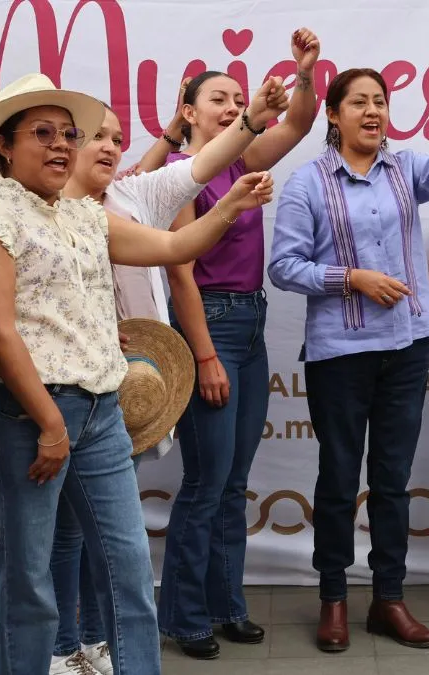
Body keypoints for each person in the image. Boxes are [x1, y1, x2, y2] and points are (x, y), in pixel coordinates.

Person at [0, 72, 283, 675]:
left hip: (103, 410)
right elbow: (1, 332)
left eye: (66, 134)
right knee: (27, 579)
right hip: (29, 416)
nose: (60, 145)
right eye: (41, 133)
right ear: (4, 144)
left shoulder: (82, 215)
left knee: (128, 570)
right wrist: (50, 423)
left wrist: (229, 206)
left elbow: (174, 248)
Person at [268, 67, 429, 652]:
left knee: (391, 482)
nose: (372, 111)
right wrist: (351, 278)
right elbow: (283, 267)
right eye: (358, 102)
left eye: (380, 102)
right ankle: (333, 599)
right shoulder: (305, 184)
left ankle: (389, 599)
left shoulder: (405, 169)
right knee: (339, 479)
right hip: (339, 356)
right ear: (333, 116)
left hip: (406, 349)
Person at [48, 76, 293, 673]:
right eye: (93, 137)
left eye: (116, 137)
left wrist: (252, 122)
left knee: (110, 533)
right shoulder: (39, 213)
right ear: (59, 147)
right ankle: (61, 647)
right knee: (63, 533)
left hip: (125, 387)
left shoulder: (133, 199)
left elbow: (198, 178)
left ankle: (97, 641)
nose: (108, 147)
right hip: (56, 392)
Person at [143, 28, 322, 661]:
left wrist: (305, 71)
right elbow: (180, 273)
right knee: (206, 479)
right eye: (218, 97)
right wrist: (207, 356)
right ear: (188, 112)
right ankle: (185, 615)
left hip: (250, 324)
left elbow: (298, 124)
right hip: (209, 328)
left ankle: (227, 606)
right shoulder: (175, 177)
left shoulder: (243, 162)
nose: (231, 105)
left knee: (233, 480)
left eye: (238, 96)